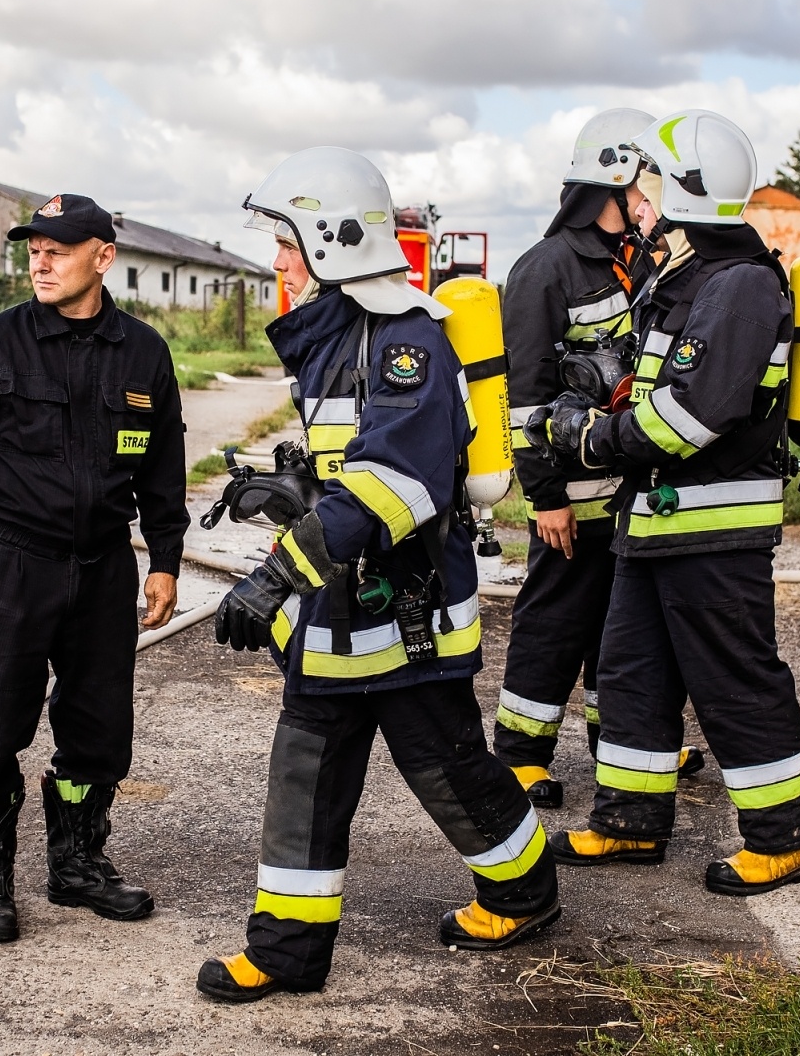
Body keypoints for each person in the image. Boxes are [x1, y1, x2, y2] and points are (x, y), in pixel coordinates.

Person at [197, 147, 559, 1003]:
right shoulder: (333, 336)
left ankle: (525, 890)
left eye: (288, 242)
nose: (278, 260)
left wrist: (277, 573)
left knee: (448, 765)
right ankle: (287, 950)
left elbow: (398, 479)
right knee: (305, 769)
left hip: (405, 610)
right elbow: (345, 465)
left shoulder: (408, 340)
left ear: (332, 241)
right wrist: (291, 489)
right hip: (338, 604)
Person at [526, 110, 800, 894]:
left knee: (734, 679)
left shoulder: (742, 285)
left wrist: (595, 438)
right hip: (653, 525)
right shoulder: (684, 279)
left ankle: (785, 835)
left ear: (685, 190)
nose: (634, 196)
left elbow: (689, 415)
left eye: (646, 180)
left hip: (714, 533)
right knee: (631, 673)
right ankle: (629, 820)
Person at [0, 193, 189, 942]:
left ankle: (76, 864)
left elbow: (164, 468)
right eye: (34, 247)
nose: (40, 259)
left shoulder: (142, 352)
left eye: (59, 248)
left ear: (103, 257)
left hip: (104, 566)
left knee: (101, 727)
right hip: (13, 561)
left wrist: (165, 557)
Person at [495, 108, 704, 810]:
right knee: (555, 622)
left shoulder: (644, 259)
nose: (653, 197)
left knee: (623, 630)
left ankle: (622, 739)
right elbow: (525, 396)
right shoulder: (546, 269)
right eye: (644, 182)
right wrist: (543, 491)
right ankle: (521, 753)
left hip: (630, 495)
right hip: (571, 498)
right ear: (610, 183)